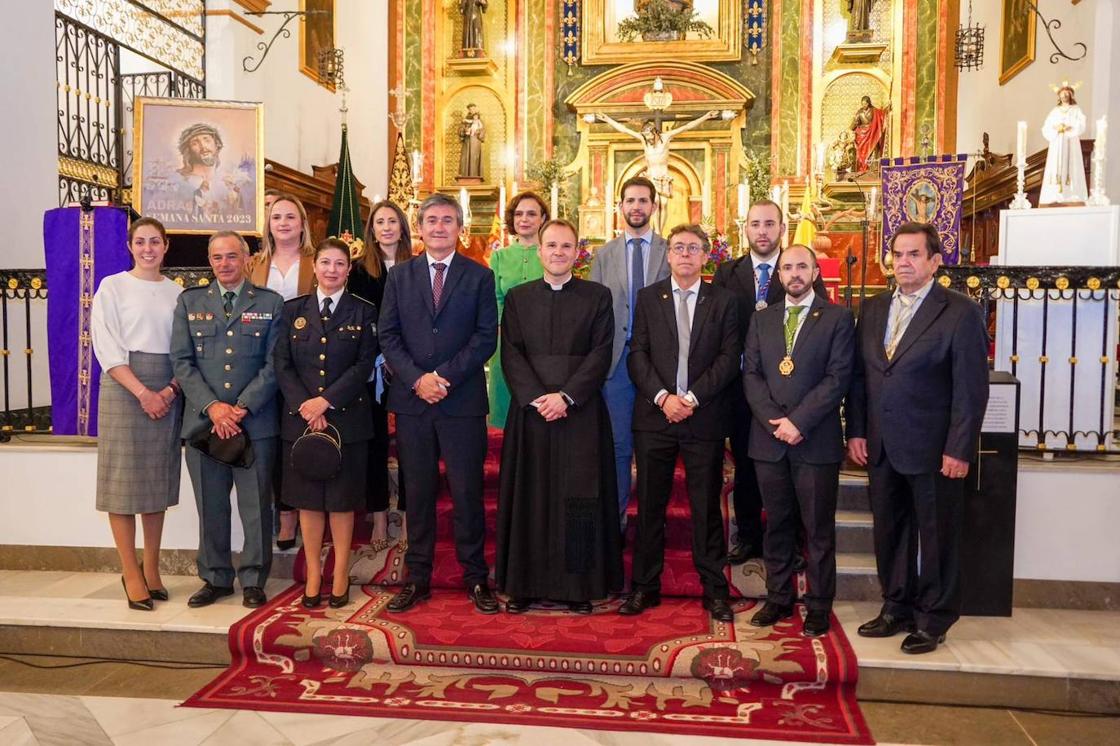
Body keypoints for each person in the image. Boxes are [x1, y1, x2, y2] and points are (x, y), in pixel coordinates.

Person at [846, 222, 988, 654]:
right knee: (890, 530)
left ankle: (934, 617)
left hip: (934, 448)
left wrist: (959, 448)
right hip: (882, 444)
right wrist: (855, 431)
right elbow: (860, 378)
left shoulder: (960, 311)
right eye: (897, 254)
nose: (903, 262)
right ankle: (896, 607)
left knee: (937, 534)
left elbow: (970, 388)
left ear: (934, 261)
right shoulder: (872, 309)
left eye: (913, 254)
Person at [378, 193, 499, 614]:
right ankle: (418, 577)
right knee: (419, 492)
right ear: (422, 226)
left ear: (459, 227)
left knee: (467, 493)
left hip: (460, 401)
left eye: (448, 220)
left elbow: (486, 337)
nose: (439, 226)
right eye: (432, 219)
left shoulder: (479, 276)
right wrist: (417, 379)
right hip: (413, 403)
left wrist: (443, 377)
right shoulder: (401, 276)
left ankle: (475, 577)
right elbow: (388, 335)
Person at [495, 219, 622, 615]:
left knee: (579, 498)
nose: (558, 253)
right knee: (528, 494)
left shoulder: (597, 297)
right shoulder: (518, 298)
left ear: (577, 252)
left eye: (566, 246)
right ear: (539, 250)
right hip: (531, 413)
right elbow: (510, 353)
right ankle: (523, 585)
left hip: (579, 412)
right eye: (552, 245)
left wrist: (566, 396)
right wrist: (537, 397)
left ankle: (578, 585)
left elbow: (601, 353)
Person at [620, 224, 741, 623]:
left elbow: (728, 358)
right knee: (650, 504)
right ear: (668, 255)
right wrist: (663, 398)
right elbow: (637, 354)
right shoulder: (648, 298)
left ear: (706, 256)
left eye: (693, 248)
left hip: (702, 416)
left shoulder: (723, 301)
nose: (685, 254)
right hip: (655, 417)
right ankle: (644, 587)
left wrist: (690, 398)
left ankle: (714, 589)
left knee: (706, 506)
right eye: (678, 248)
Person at [742, 244, 855, 637]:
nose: (794, 273)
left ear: (815, 272)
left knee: (817, 527)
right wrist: (775, 421)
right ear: (779, 275)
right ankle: (778, 598)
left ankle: (820, 604)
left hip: (814, 439)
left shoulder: (838, 318)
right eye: (787, 267)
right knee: (777, 524)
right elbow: (751, 375)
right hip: (768, 438)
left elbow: (838, 377)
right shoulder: (762, 319)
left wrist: (798, 421)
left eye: (801, 266)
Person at [171, 231, 285, 609]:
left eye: (232, 256)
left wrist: (242, 407)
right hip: (204, 424)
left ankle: (253, 579)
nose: (224, 264)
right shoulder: (189, 302)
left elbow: (275, 364)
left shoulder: (270, 303)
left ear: (246, 259)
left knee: (255, 506)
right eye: (217, 257)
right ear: (210, 260)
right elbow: (182, 363)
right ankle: (216, 578)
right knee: (211, 505)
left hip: (255, 422)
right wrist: (214, 408)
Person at [713, 200, 826, 567]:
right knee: (746, 464)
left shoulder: (797, 270)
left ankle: (791, 542)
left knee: (790, 470)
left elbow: (816, 327)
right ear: (744, 228)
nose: (762, 231)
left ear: (781, 228)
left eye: (769, 224)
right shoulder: (727, 273)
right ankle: (747, 535)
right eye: (755, 224)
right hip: (741, 390)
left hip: (789, 393)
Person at [274, 238, 379, 609]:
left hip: (347, 420)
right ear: (314, 266)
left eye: (339, 264)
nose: (332, 269)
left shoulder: (363, 311)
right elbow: (282, 364)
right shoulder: (292, 310)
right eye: (325, 263)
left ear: (349, 270)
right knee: (308, 502)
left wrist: (326, 401)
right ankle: (314, 575)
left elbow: (364, 365)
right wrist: (307, 405)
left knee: (341, 501)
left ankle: (339, 574)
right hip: (301, 420)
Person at [91, 217, 183, 610]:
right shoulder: (112, 287)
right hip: (125, 387)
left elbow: (186, 350)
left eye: (155, 242)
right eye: (141, 242)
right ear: (131, 246)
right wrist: (144, 392)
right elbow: (107, 346)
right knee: (123, 482)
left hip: (167, 388)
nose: (148, 249)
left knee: (156, 481)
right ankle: (130, 571)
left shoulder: (178, 293)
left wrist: (169, 389)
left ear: (166, 247)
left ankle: (152, 568)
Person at [589, 176, 669, 527]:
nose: (636, 207)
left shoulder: (672, 251)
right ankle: (616, 523)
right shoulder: (603, 255)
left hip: (659, 363)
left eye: (643, 201)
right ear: (620, 207)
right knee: (619, 447)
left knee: (656, 449)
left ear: (654, 206)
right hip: (616, 364)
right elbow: (593, 311)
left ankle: (654, 525)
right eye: (630, 201)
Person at [250, 193, 317, 551]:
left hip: (304, 364)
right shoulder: (255, 264)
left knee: (295, 439)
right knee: (270, 440)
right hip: (262, 363)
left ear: (303, 224)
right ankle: (278, 510)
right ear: (269, 224)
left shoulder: (315, 262)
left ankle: (294, 514)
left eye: (291, 216)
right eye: (277, 217)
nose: (284, 223)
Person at [348, 200, 415, 551]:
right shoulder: (358, 270)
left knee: (409, 444)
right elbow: (358, 321)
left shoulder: (417, 266)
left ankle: (404, 515)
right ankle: (376, 515)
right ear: (370, 229)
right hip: (371, 367)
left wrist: (401, 358)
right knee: (374, 443)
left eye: (392, 221)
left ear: (402, 227)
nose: (386, 227)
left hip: (409, 366)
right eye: (379, 222)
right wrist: (379, 356)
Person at [487, 191, 549, 429]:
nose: (524, 219)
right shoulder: (500, 256)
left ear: (542, 218)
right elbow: (495, 296)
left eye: (531, 214)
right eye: (519, 214)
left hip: (542, 339)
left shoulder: (550, 252)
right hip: (505, 338)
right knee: (505, 398)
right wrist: (504, 328)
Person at [1039, 84, 1088, 205]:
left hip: (1070, 141)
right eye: (1062, 93)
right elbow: (1046, 126)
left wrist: (1070, 127)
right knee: (1056, 166)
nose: (1065, 95)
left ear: (1071, 95)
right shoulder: (1055, 111)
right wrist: (1057, 128)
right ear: (1059, 95)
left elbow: (1081, 123)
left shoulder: (1076, 109)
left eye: (1067, 93)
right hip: (1057, 142)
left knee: (1071, 165)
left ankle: (1072, 193)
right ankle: (1055, 193)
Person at [851, 96, 890, 174]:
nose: (863, 105)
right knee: (862, 151)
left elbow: (882, 113)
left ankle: (873, 167)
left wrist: (888, 106)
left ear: (868, 103)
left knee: (873, 149)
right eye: (862, 104)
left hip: (872, 132)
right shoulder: (859, 112)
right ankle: (862, 167)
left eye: (865, 104)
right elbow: (855, 122)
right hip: (862, 134)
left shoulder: (874, 111)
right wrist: (851, 128)